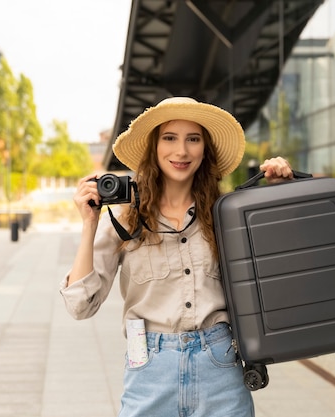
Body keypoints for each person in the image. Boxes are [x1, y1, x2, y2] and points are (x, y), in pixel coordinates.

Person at [60, 96, 293, 417]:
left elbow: (275, 278)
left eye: (193, 139)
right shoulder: (125, 219)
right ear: (154, 148)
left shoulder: (226, 214)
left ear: (204, 150)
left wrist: (280, 196)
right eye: (169, 138)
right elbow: (80, 306)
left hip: (220, 364)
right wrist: (89, 223)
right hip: (149, 369)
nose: (181, 151)